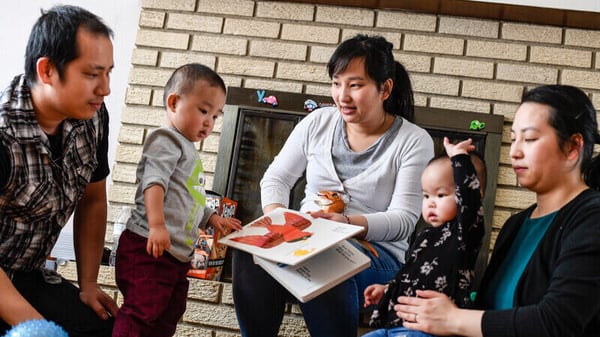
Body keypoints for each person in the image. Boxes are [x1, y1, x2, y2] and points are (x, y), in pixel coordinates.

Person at [232, 34, 435, 337]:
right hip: (303, 239)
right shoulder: (318, 122)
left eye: (355, 85)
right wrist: (278, 220)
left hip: (376, 254)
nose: (343, 95)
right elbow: (276, 178)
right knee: (250, 253)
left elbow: (404, 220)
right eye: (337, 83)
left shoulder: (413, 141)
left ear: (385, 88)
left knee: (327, 258)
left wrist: (347, 223)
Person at [395, 84, 600, 337]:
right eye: (514, 138)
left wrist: (453, 318)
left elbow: (557, 321)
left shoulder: (591, 219)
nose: (515, 151)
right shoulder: (516, 225)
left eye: (530, 139)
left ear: (572, 147)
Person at [0, 5, 118, 337]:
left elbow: (93, 199)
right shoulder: (3, 136)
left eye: (109, 72)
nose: (105, 88)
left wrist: (89, 283)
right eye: (93, 74)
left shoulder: (94, 116)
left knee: (105, 329)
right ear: (48, 70)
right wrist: (37, 328)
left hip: (30, 275)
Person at [112, 63, 242, 337]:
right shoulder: (166, 139)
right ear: (174, 102)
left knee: (169, 312)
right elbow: (154, 183)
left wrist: (211, 217)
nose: (209, 122)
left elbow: (187, 197)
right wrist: (156, 225)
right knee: (142, 311)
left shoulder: (187, 148)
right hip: (149, 247)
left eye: (216, 116)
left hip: (175, 256)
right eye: (203, 111)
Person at [363, 137, 487, 337]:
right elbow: (410, 275)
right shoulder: (426, 236)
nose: (430, 203)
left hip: (430, 330)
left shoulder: (465, 232)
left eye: (440, 195)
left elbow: (469, 199)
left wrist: (459, 159)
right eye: (426, 196)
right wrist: (386, 289)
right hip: (396, 325)